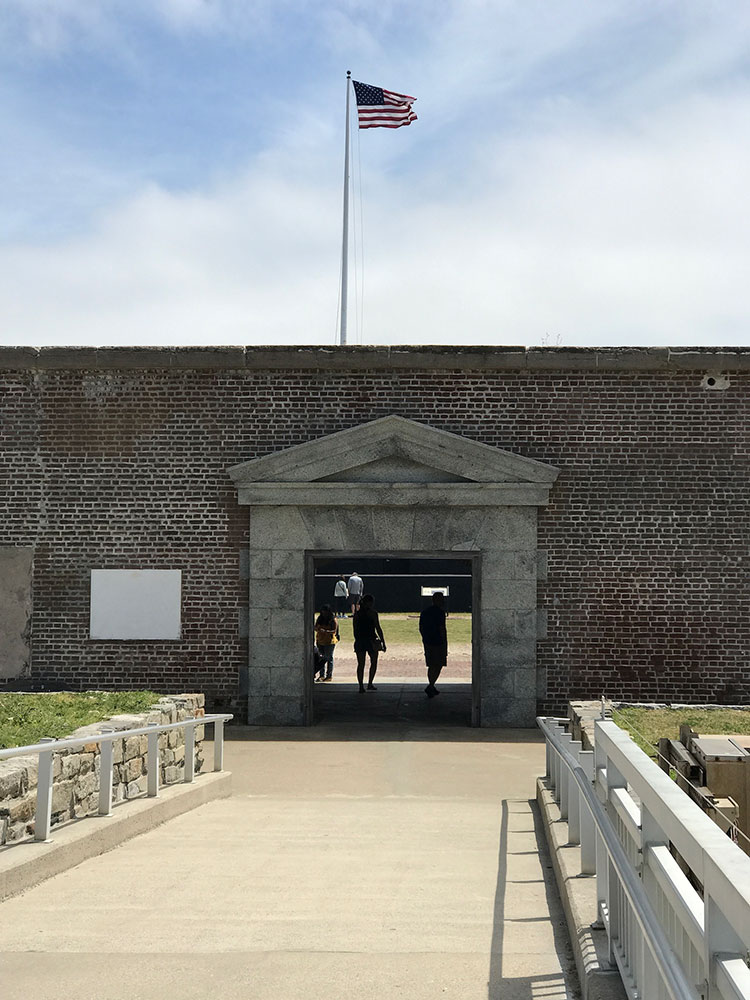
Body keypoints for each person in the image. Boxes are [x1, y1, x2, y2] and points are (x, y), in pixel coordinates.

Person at [353, 594, 386, 692]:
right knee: (372, 662)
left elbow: (355, 629)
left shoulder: (357, 614)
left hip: (361, 640)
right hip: (370, 639)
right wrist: (383, 641)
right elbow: (378, 628)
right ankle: (369, 683)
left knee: (361, 664)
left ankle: (361, 686)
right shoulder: (373, 613)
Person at [419, 591, 448, 698]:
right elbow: (442, 628)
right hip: (438, 642)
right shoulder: (440, 613)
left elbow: (421, 628)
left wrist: (425, 638)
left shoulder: (425, 612)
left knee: (431, 665)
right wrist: (444, 642)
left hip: (428, 641)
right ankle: (431, 685)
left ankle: (431, 685)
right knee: (438, 664)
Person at [314, 604, 340, 681]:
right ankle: (321, 675)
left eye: (325, 612)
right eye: (323, 612)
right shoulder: (320, 618)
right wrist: (318, 629)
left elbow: (334, 631)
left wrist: (326, 631)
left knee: (329, 658)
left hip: (330, 641)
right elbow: (315, 627)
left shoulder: (333, 619)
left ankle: (329, 675)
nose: (324, 613)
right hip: (320, 640)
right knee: (321, 658)